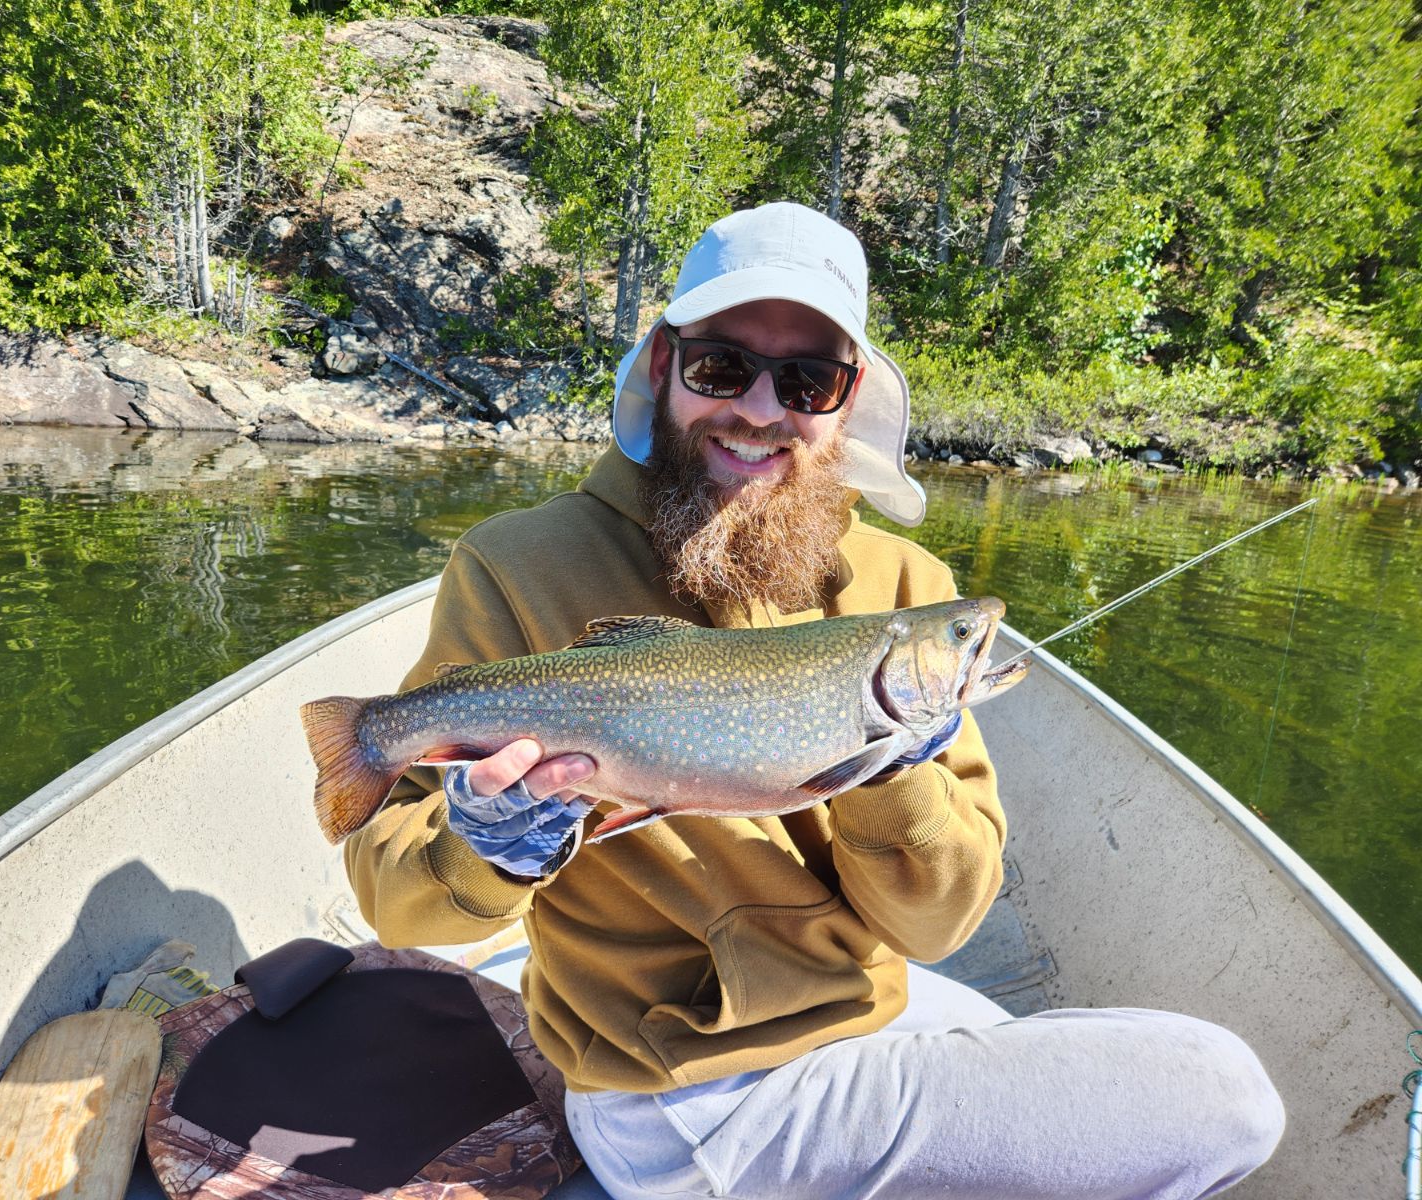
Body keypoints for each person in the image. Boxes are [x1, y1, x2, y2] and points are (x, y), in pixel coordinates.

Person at [345, 202, 1285, 1199]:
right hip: (680, 1093)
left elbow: (936, 930)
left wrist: (896, 777)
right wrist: (489, 846)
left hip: (865, 1012)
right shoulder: (518, 567)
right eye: (720, 367)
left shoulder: (903, 588)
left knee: (1122, 1073)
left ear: (847, 401)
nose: (759, 408)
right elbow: (396, 907)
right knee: (1225, 1099)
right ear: (662, 367)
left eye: (807, 379)